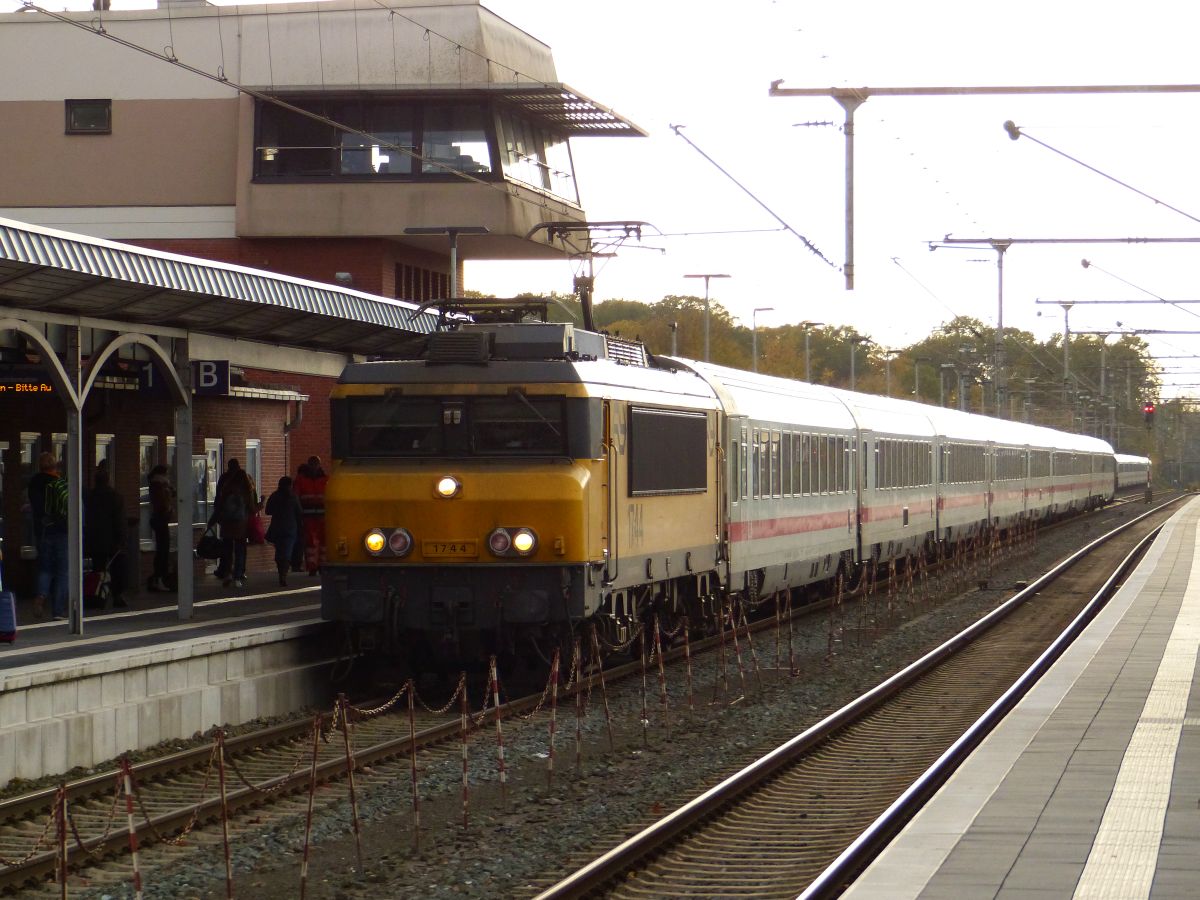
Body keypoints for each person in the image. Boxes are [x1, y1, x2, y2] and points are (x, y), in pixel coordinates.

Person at [28, 452, 68, 620]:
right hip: (61, 530)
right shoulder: (59, 482)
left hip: (43, 531)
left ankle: (41, 595)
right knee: (62, 571)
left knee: (45, 568)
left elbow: (36, 508)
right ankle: (58, 611)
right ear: (55, 466)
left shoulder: (34, 483)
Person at [84, 468, 127, 608]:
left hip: (95, 539)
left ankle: (97, 595)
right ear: (108, 480)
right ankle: (117, 595)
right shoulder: (115, 496)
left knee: (98, 568)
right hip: (112, 539)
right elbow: (119, 520)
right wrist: (121, 539)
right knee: (117, 567)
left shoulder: (89, 496)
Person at [211, 459, 257, 588]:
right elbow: (252, 508)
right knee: (240, 549)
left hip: (227, 523)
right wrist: (261, 504)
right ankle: (238, 574)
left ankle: (227, 573)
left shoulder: (226, 485)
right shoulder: (246, 487)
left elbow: (219, 502)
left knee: (227, 549)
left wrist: (215, 518)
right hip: (241, 524)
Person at [264, 476, 304, 587]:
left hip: (277, 528)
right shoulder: (293, 497)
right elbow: (299, 513)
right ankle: (283, 575)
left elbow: (268, 511)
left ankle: (281, 570)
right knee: (286, 552)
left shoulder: (274, 496)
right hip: (290, 528)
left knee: (279, 551)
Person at [292, 455, 328, 576]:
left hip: (322, 514)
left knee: (323, 542)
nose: (314, 467)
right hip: (308, 515)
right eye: (312, 464)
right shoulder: (301, 479)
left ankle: (322, 565)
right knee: (310, 542)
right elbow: (296, 497)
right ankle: (312, 566)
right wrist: (300, 511)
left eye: (315, 464)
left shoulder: (325, 479)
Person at [148, 464, 174, 592]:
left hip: (160, 519)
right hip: (161, 519)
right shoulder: (159, 485)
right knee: (163, 550)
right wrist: (167, 511)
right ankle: (159, 578)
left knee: (162, 549)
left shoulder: (159, 485)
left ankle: (159, 578)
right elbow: (163, 502)